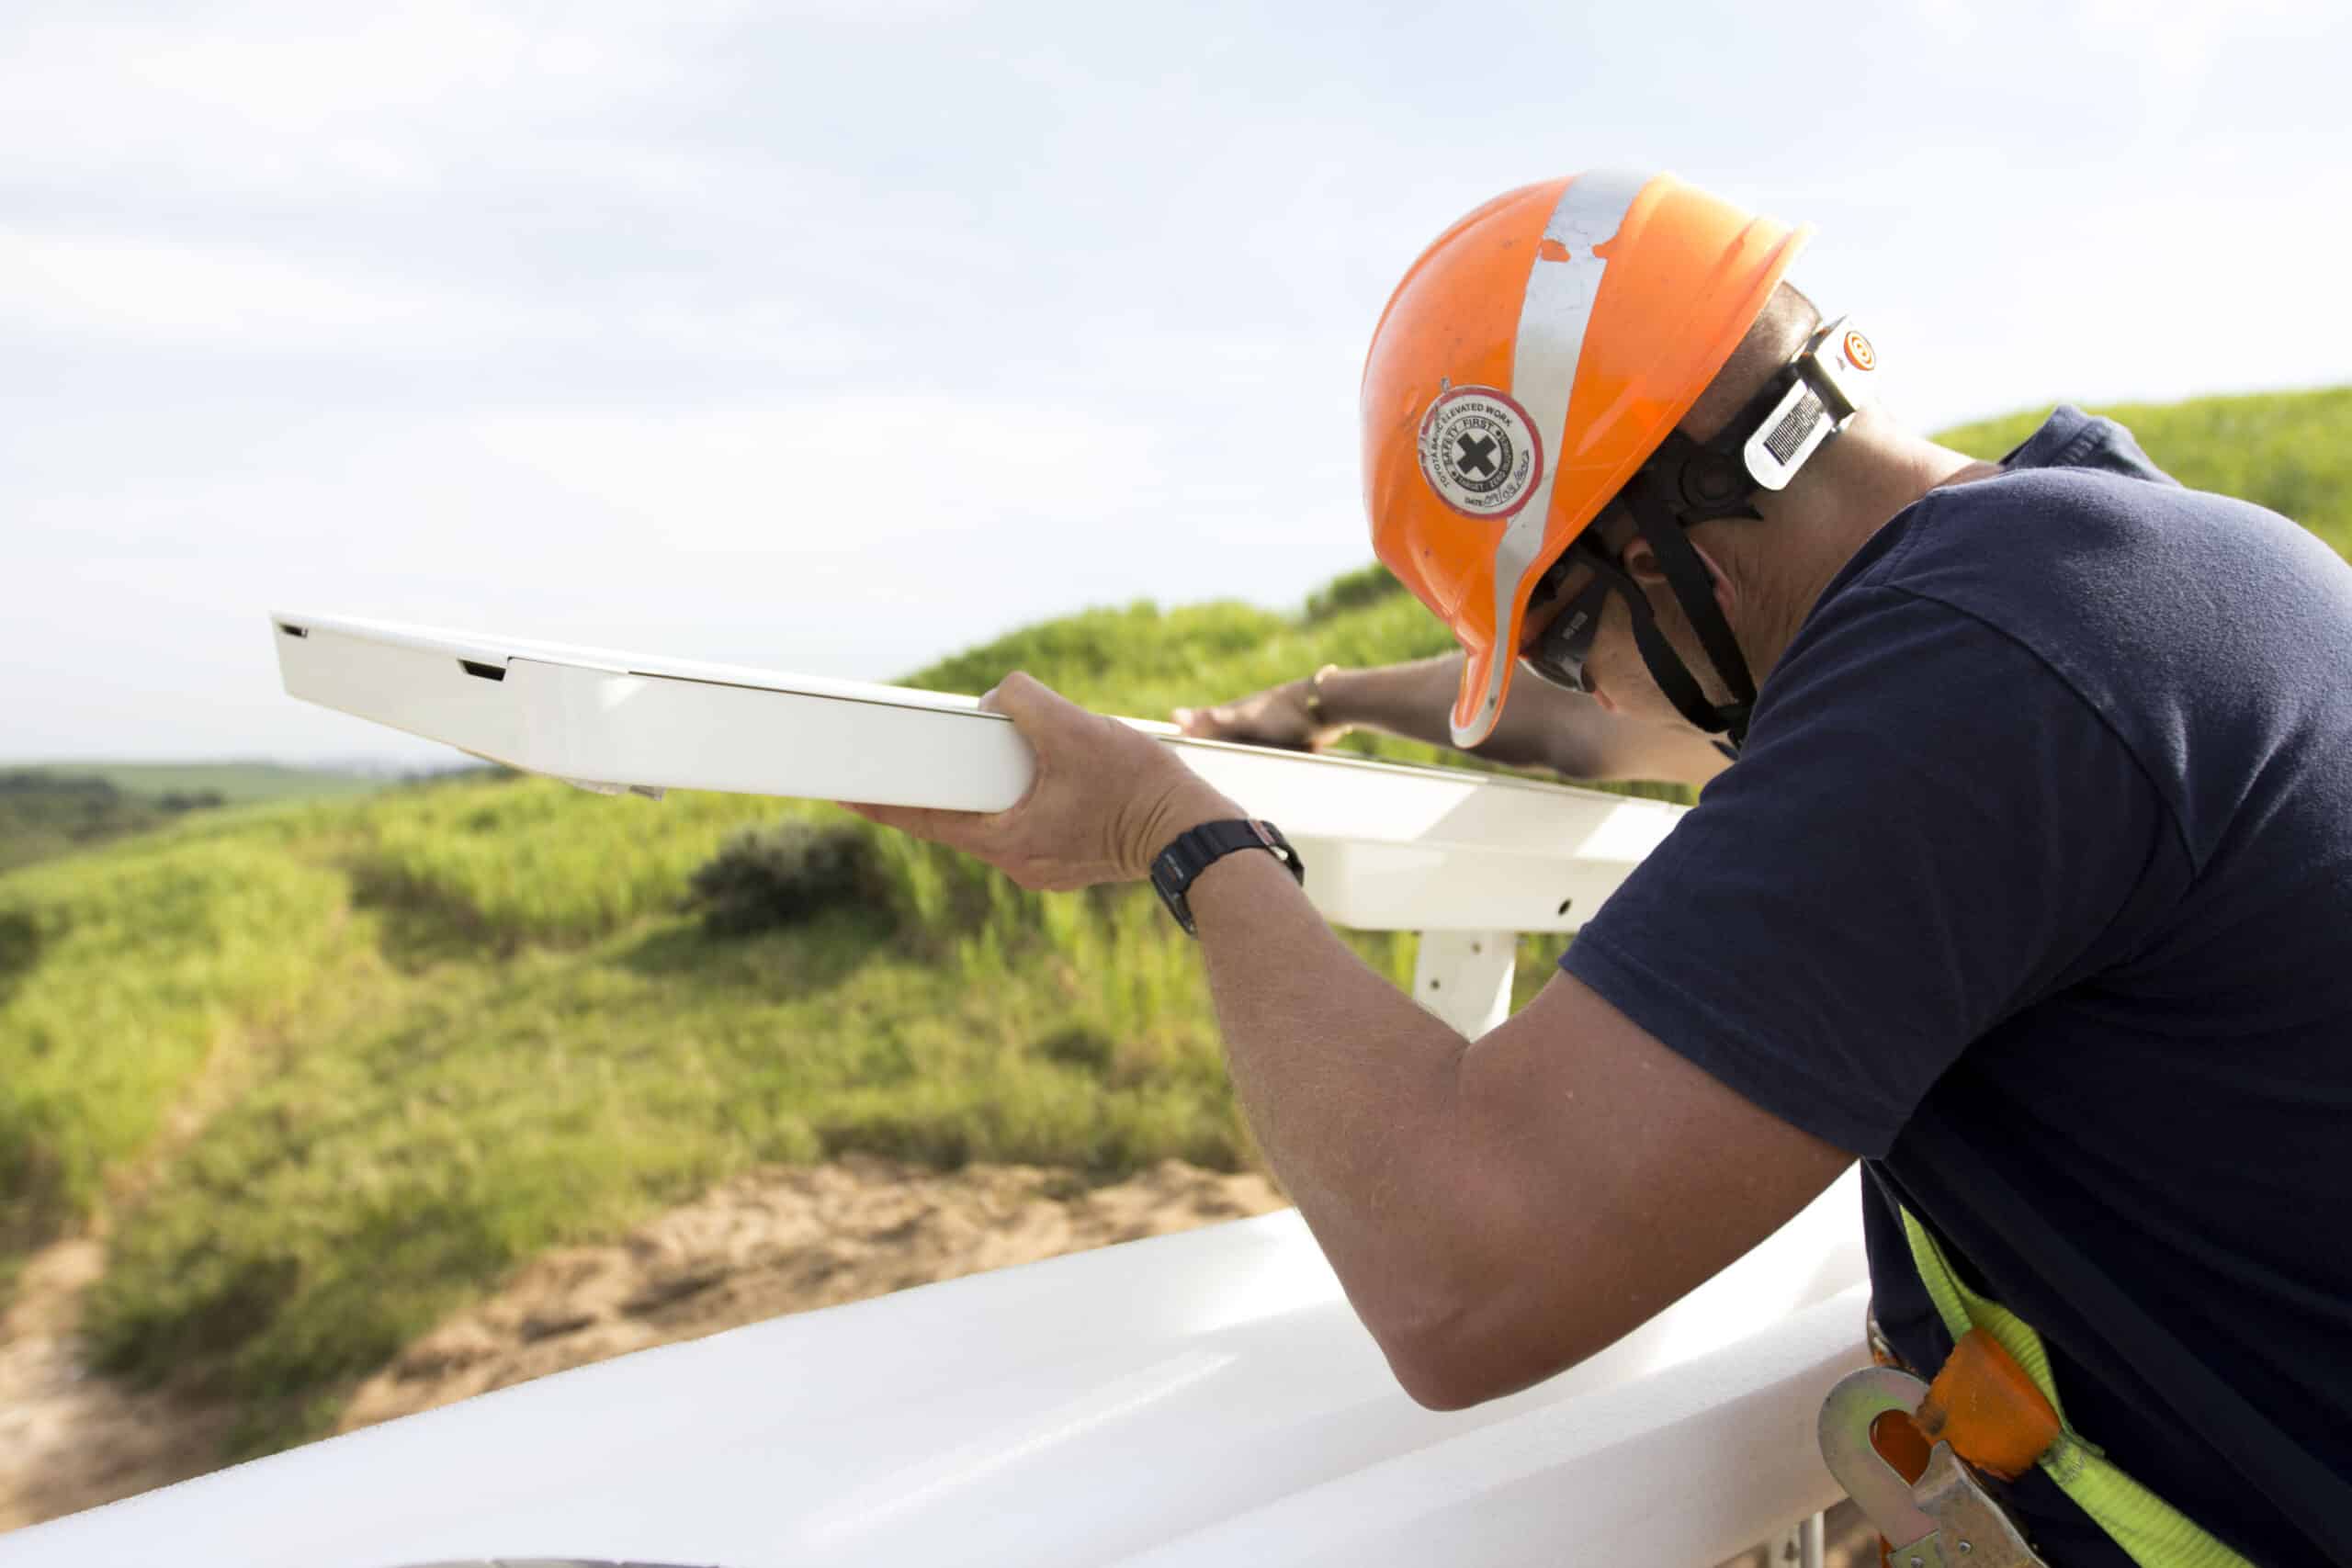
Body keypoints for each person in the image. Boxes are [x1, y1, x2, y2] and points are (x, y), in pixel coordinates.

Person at [841, 170, 2352, 1565]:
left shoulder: (1976, 679)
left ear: (1652, 554)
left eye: (1562, 635)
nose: (1601, 689)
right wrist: (1327, 701)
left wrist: (1180, 837)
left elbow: (1464, 1274)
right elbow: (1619, 737)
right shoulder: (2123, 574)